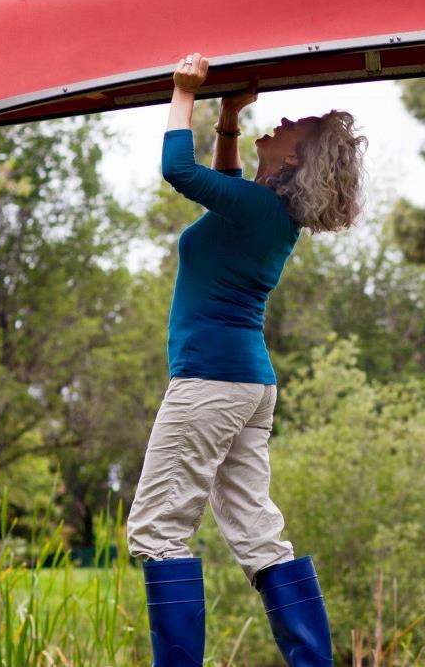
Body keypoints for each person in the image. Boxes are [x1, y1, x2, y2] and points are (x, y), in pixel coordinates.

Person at [131, 53, 368, 667]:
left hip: (211, 381)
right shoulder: (262, 211)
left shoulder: (262, 212)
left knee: (156, 531)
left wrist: (184, 91)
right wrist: (229, 116)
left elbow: (177, 169)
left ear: (293, 158)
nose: (283, 119)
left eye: (294, 124)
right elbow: (221, 186)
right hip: (245, 385)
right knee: (259, 536)